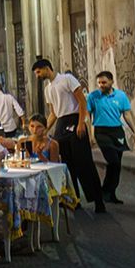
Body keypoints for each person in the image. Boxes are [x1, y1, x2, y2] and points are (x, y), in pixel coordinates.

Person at [34, 56, 105, 212]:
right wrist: (43, 129)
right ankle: (74, 200)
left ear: (47, 68)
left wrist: (81, 123)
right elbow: (53, 113)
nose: (37, 76)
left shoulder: (67, 79)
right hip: (61, 124)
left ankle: (98, 201)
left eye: (38, 72)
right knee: (66, 165)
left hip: (75, 120)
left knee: (84, 163)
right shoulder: (48, 89)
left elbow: (82, 101)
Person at [87, 70, 135, 204]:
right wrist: (91, 134)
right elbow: (87, 116)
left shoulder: (121, 96)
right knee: (113, 161)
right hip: (102, 132)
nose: (101, 85)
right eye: (99, 83)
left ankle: (111, 193)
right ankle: (105, 190)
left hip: (117, 132)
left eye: (104, 82)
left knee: (117, 165)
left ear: (111, 82)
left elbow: (127, 115)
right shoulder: (93, 97)